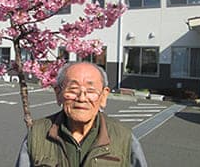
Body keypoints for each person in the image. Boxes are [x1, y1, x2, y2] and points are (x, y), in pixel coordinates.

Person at [16, 62, 147, 167]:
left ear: (103, 96)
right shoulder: (37, 134)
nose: (82, 98)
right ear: (58, 94)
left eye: (91, 91)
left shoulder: (124, 137)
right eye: (73, 90)